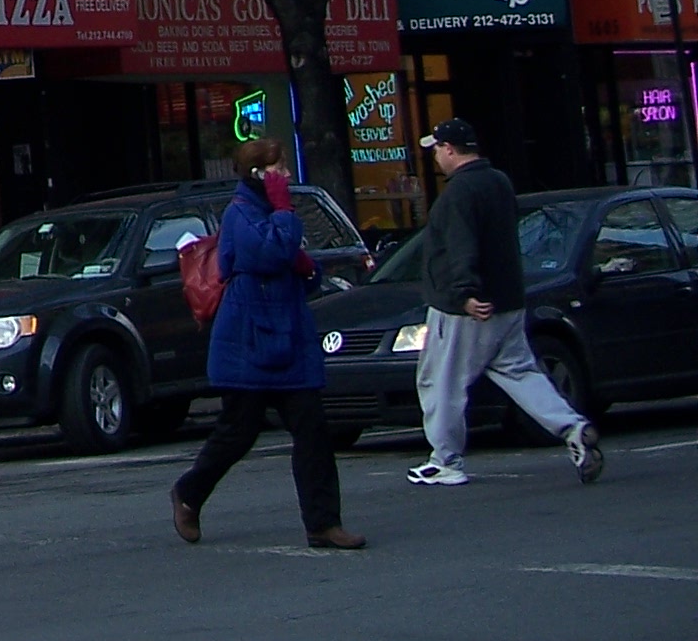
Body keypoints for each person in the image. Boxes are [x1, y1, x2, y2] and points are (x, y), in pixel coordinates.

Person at [169, 144, 362, 550]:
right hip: (249, 340)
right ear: (258, 173)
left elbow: (291, 262)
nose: (286, 175)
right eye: (279, 168)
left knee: (312, 429)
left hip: (287, 337)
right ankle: (188, 493)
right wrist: (284, 211)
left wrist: (307, 267)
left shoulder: (271, 211)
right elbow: (272, 253)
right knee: (238, 432)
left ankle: (323, 523)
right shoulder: (240, 213)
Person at [407, 117, 603, 488]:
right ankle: (572, 426)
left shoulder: (458, 193)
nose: (435, 157)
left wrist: (464, 293)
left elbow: (461, 245)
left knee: (441, 382)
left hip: (466, 307)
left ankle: (445, 460)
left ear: (449, 149)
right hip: (508, 300)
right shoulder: (499, 181)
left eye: (437, 149)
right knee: (520, 371)